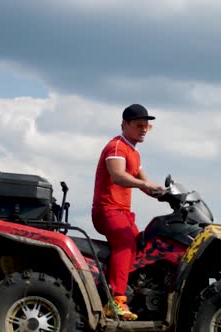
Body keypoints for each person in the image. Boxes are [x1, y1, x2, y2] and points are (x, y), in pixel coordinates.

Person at [91, 104, 164, 321]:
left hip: (122, 212)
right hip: (108, 210)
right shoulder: (116, 147)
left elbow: (144, 183)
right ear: (125, 125)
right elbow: (118, 176)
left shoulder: (133, 151)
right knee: (126, 244)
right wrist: (148, 187)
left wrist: (164, 193)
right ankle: (116, 300)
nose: (143, 130)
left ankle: (134, 294)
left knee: (143, 245)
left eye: (147, 126)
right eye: (139, 125)